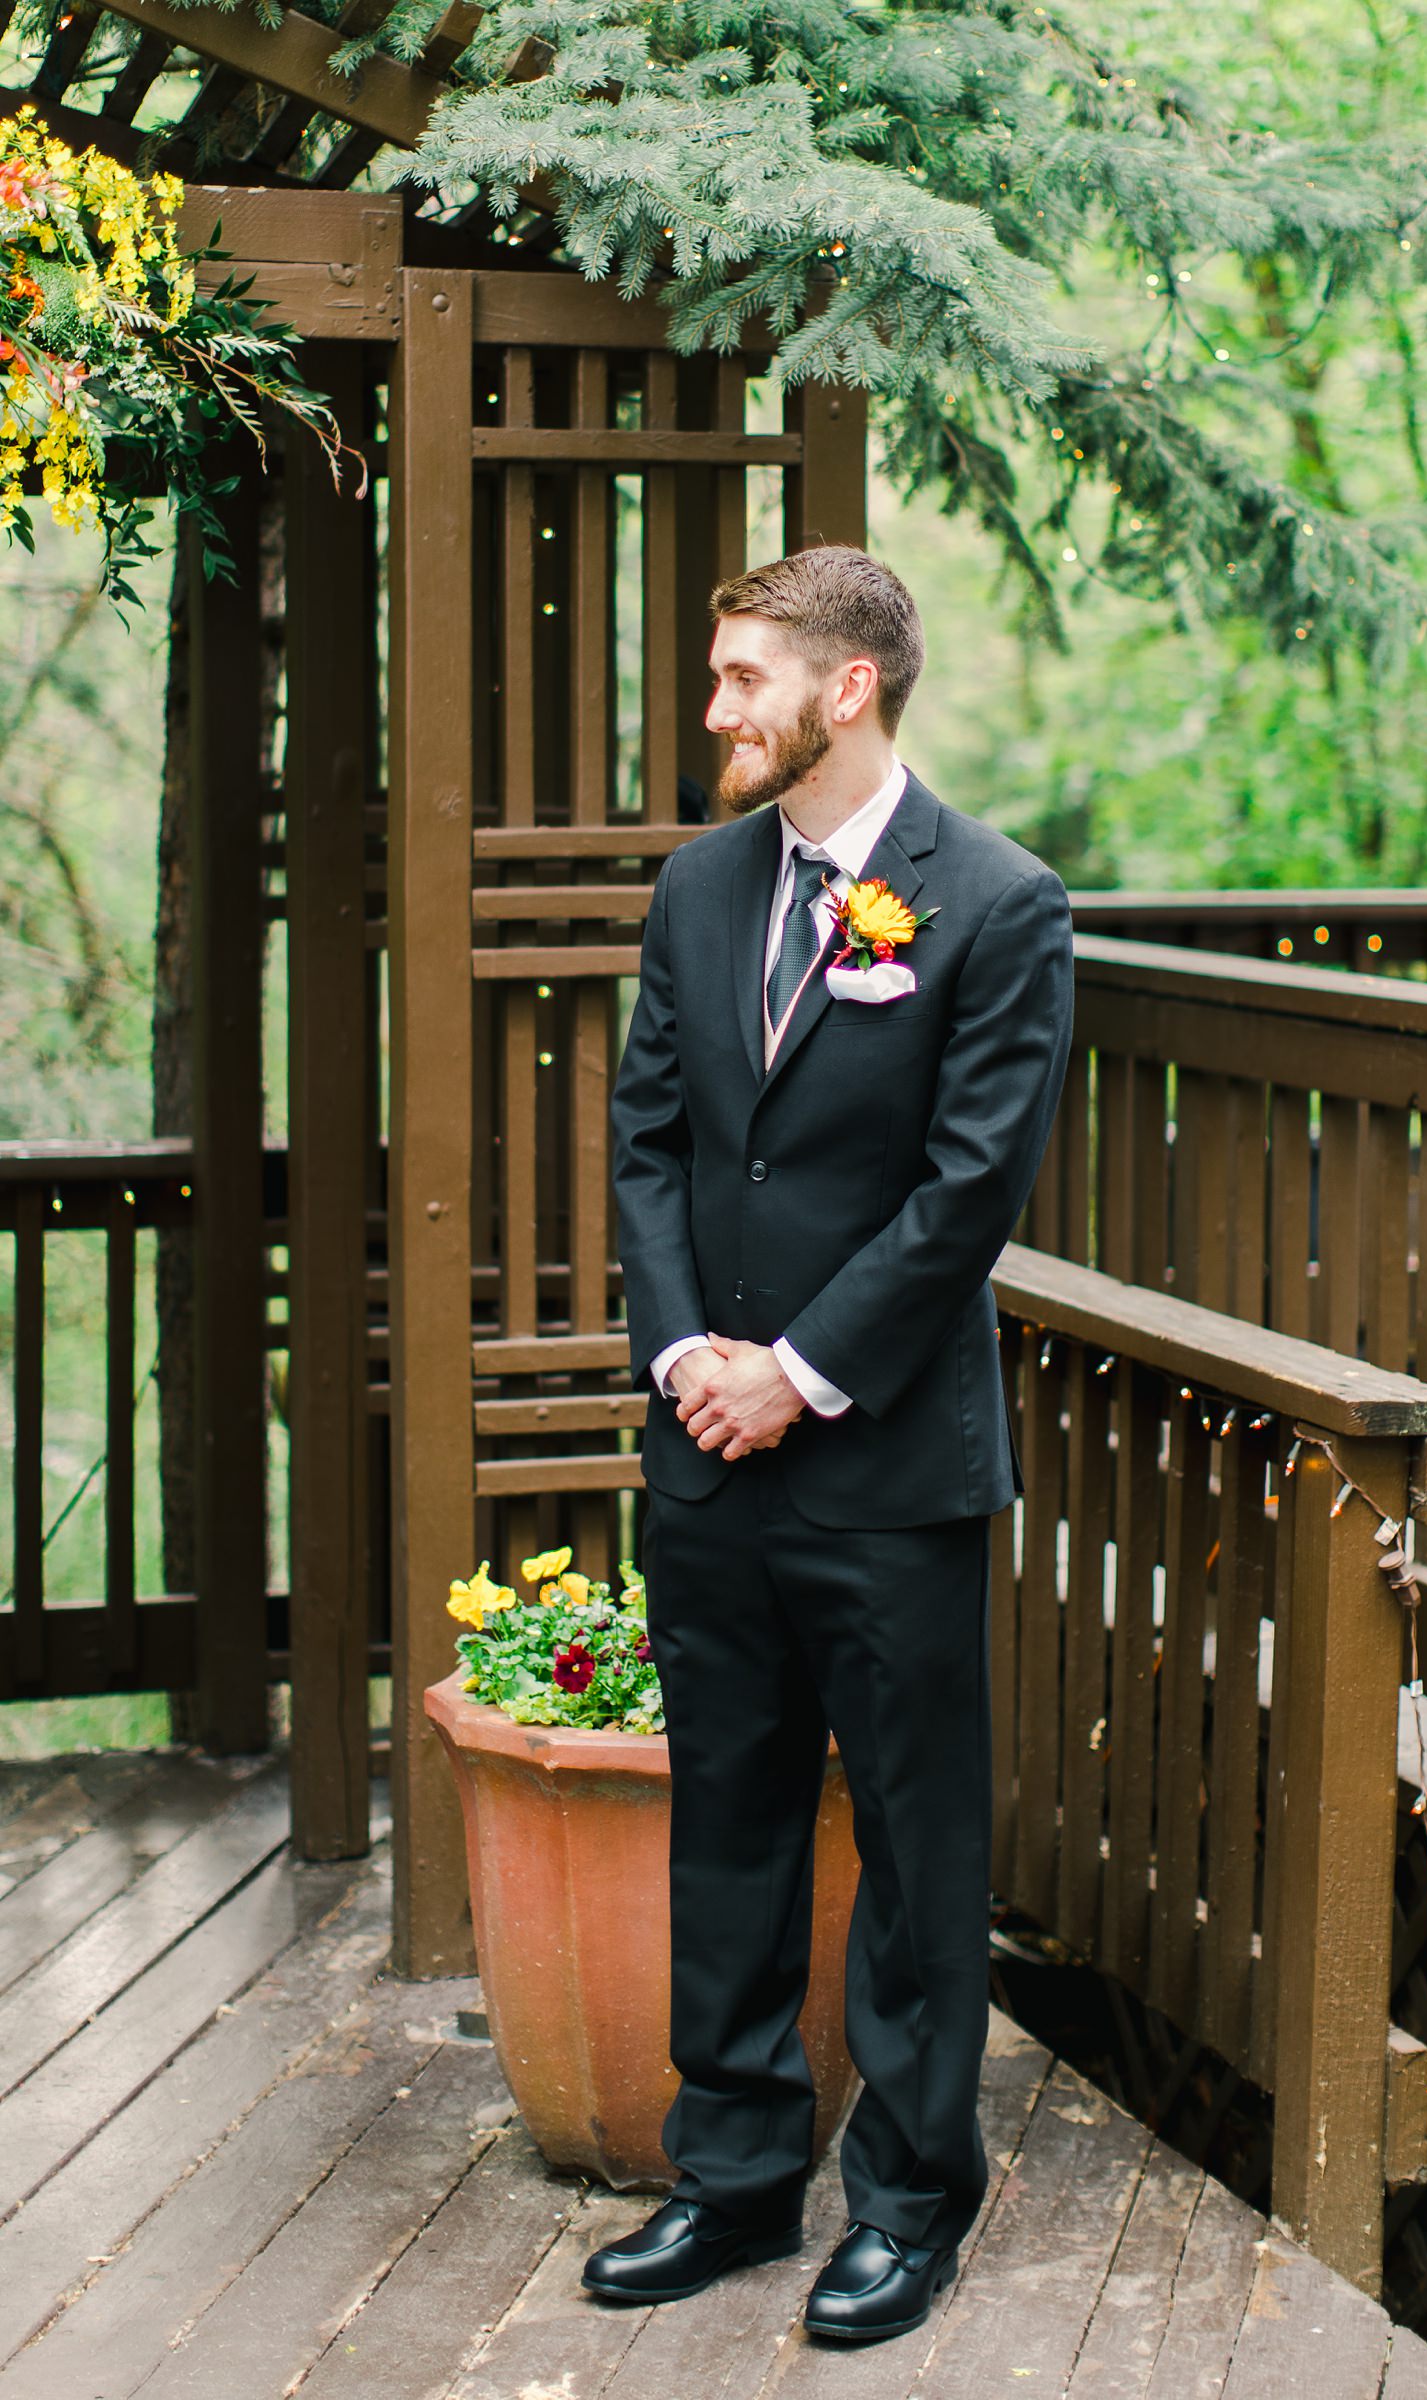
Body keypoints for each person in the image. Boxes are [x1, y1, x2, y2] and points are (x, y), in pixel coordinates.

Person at [586, 545, 1074, 2345]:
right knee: (724, 1818)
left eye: (738, 678)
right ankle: (729, 2184)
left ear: (846, 686)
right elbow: (649, 1143)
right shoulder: (701, 889)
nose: (713, 710)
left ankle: (911, 2204)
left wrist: (800, 1368)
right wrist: (687, 1359)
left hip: (887, 1472)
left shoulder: (1002, 906)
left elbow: (967, 1199)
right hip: (710, 1456)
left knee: (921, 1842)